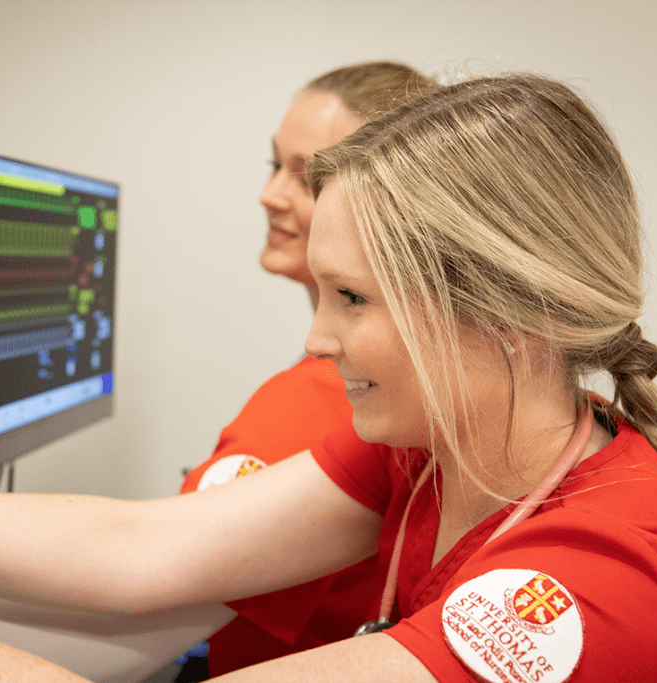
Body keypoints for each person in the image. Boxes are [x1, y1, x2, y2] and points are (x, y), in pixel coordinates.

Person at [0, 72, 657, 682]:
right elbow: (148, 547)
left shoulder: (601, 589)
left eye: (352, 300)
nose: (321, 340)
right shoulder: (442, 447)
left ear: (505, 316)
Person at [178, 61, 439, 677]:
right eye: (274, 165)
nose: (270, 195)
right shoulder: (394, 388)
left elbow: (154, 573)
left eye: (309, 177)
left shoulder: (325, 397)